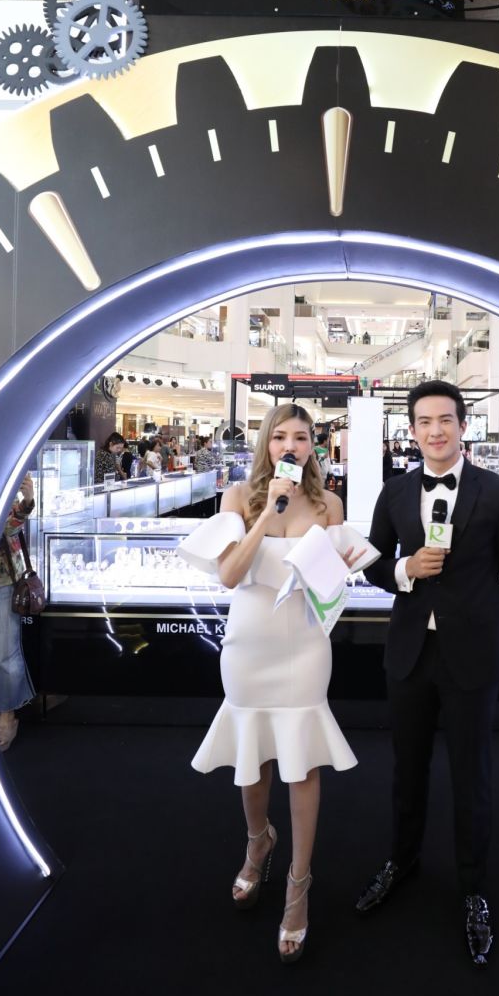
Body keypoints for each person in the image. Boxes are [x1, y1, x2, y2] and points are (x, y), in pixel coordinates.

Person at [355, 380, 499, 967]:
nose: (435, 431)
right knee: (406, 769)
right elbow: (372, 564)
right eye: (424, 422)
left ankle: (474, 888)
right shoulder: (394, 491)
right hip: (410, 653)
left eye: (445, 420)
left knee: (471, 775)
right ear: (411, 431)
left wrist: (479, 617)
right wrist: (405, 569)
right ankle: (401, 860)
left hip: (473, 656)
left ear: (463, 426)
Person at [177, 403, 360, 963]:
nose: (290, 445)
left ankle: (298, 884)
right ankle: (258, 842)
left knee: (301, 763)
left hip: (304, 645)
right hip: (248, 645)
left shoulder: (329, 505)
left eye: (301, 437)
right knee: (252, 758)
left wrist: (341, 570)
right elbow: (230, 575)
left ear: (312, 446)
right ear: (266, 443)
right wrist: (266, 513)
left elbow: (332, 586)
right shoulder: (237, 497)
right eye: (280, 436)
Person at [0, 475, 36, 751]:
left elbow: (9, 525)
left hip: (1, 579)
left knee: (4, 653)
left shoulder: (1, 473)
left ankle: (7, 715)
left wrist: (27, 500)